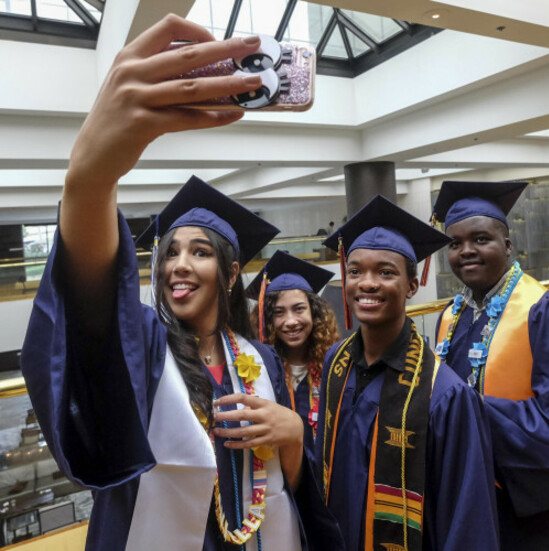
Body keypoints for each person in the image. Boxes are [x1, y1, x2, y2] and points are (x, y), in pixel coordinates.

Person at [20, 15, 341, 551]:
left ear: (233, 272)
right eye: (170, 253)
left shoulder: (260, 361)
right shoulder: (147, 346)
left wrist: (292, 436)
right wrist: (90, 182)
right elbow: (95, 310)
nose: (178, 266)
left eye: (199, 252)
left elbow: (294, 488)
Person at [431, 180, 549, 551]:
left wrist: (473, 414)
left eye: (480, 238)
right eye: (455, 243)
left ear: (507, 245)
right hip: (468, 500)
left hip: (534, 510)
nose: (466, 251)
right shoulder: (450, 318)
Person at [317, 195, 500, 551]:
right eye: (355, 271)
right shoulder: (334, 364)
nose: (366, 283)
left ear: (412, 287)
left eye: (385, 272)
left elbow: (467, 517)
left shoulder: (444, 395)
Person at [248, 250, 339, 447]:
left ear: (314, 312)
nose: (290, 321)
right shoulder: (258, 371)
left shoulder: (335, 367)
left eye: (299, 309)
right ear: (267, 320)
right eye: (279, 312)